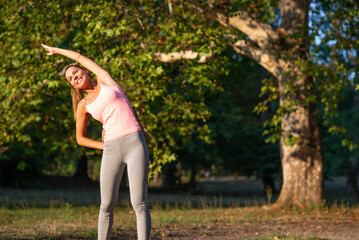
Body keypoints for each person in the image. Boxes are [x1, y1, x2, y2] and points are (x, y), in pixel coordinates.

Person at [41, 44, 151, 240]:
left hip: (134, 143)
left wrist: (57, 51)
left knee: (139, 204)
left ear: (84, 70)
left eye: (75, 72)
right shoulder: (83, 106)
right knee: (107, 204)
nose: (75, 77)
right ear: (73, 86)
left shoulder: (105, 79)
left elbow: (78, 55)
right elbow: (80, 139)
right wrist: (105, 146)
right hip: (111, 150)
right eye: (71, 79)